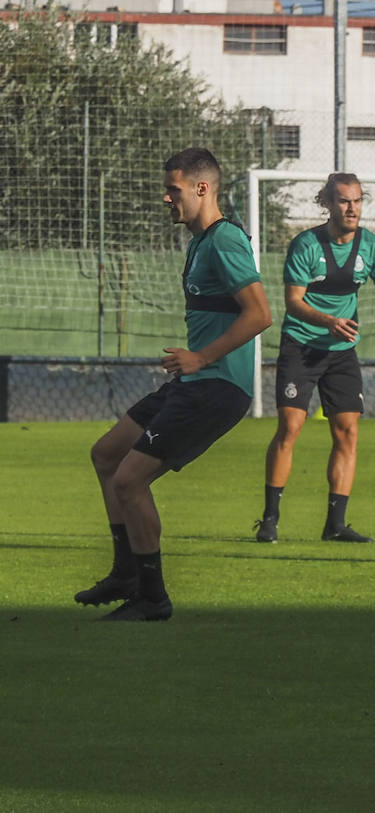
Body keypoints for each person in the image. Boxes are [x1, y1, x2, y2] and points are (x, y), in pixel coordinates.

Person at [75, 148, 272, 621]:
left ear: (202, 189)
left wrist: (201, 356)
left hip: (216, 386)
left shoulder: (224, 241)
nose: (167, 198)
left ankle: (152, 597)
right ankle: (126, 572)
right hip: (194, 381)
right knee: (106, 454)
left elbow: (261, 314)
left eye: (174, 189)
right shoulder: (199, 241)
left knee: (130, 478)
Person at [253, 173, 375, 544]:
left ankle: (335, 525)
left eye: (356, 201)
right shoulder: (305, 245)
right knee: (290, 429)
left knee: (348, 433)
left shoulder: (372, 247)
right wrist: (329, 321)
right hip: (301, 347)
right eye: (343, 201)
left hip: (341, 352)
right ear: (328, 204)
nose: (351, 208)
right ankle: (270, 519)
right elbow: (293, 302)